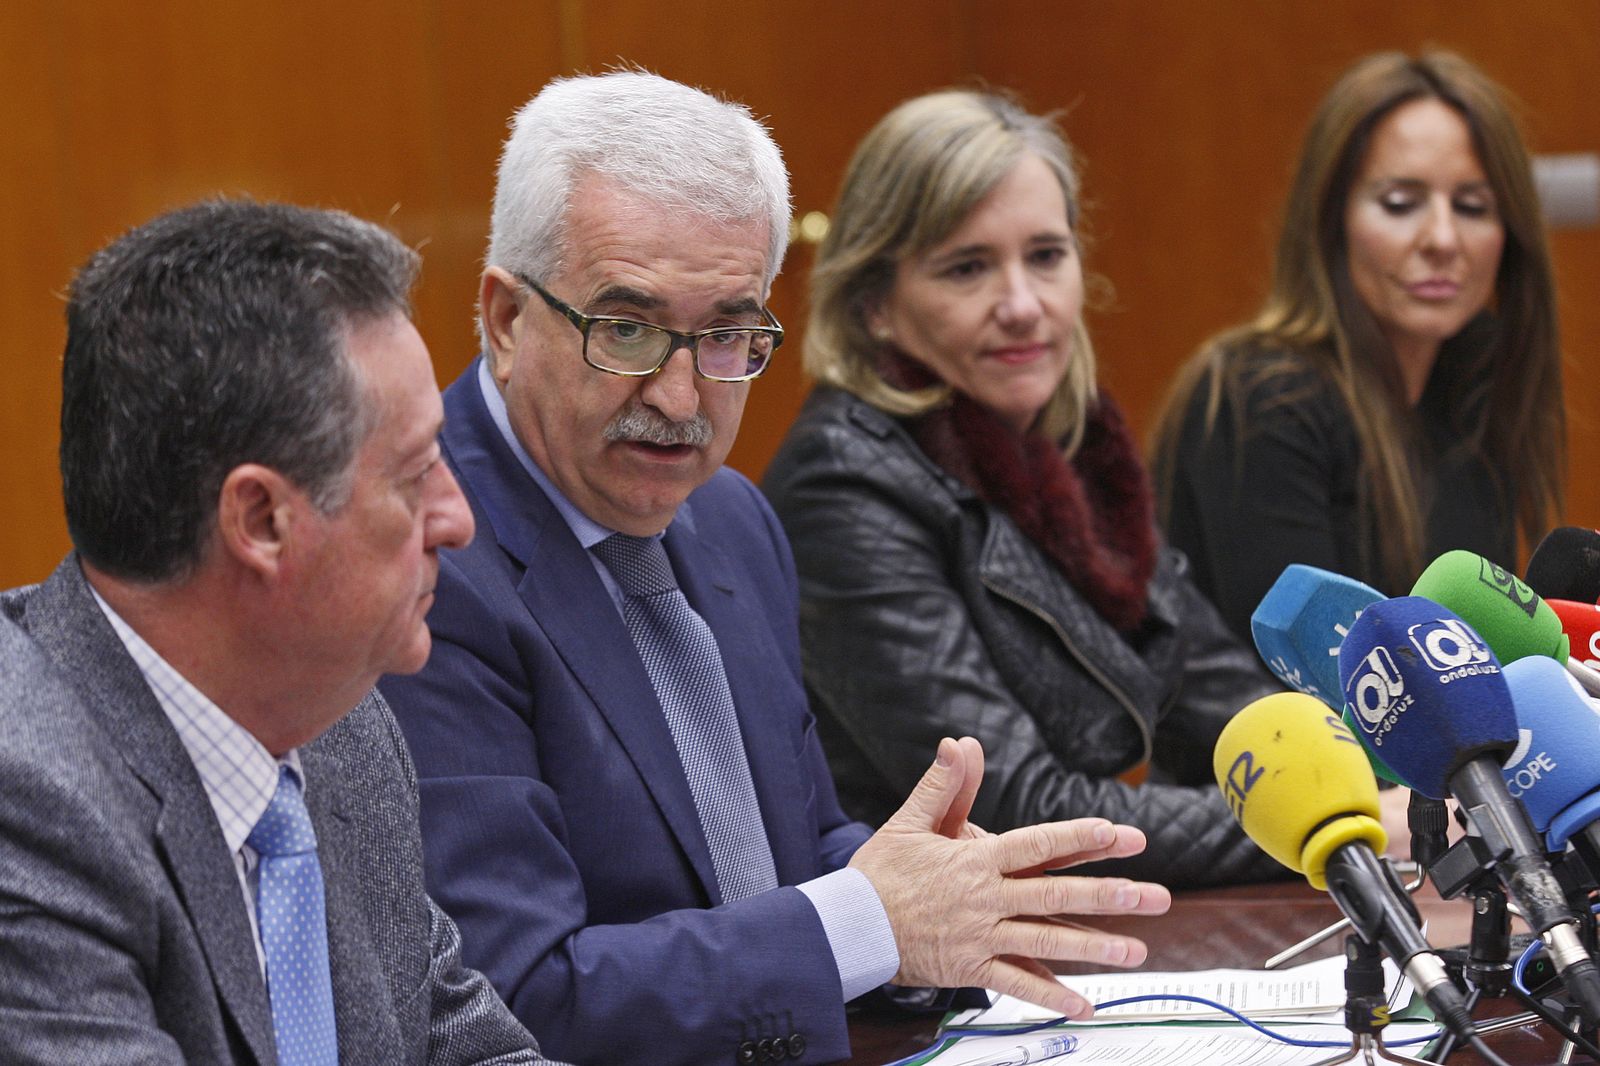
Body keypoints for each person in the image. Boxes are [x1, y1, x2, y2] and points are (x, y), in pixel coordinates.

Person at [378, 71, 1173, 1066]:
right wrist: (864, 920)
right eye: (625, 328)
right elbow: (515, 998)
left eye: (725, 333)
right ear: (504, 319)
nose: (680, 398)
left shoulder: (732, 518)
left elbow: (784, 862)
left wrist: (930, 898)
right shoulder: (421, 556)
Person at [0, 199, 567, 1065]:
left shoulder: (343, 726)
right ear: (261, 519)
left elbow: (468, 1046)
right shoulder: (28, 799)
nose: (457, 519)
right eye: (416, 475)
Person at [761, 89, 1288, 889]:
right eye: (967, 267)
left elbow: (1213, 685)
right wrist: (1324, 827)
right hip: (917, 988)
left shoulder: (1066, 446)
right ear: (874, 306)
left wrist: (1379, 786)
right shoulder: (842, 484)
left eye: (1045, 256)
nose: (1022, 305)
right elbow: (1015, 805)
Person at [1150, 50, 1564, 640]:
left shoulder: (1477, 385)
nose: (1443, 239)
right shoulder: (1260, 397)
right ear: (1330, 219)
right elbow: (1302, 679)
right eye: (1400, 203)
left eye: (1473, 206)